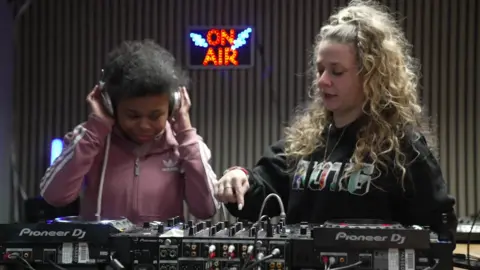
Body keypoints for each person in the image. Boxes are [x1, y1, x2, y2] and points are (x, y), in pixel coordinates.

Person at [214, 0, 457, 235]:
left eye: (336, 71)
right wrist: (239, 177)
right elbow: (259, 197)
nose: (322, 81)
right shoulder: (305, 144)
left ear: (371, 76)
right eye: (320, 70)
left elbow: (438, 229)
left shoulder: (404, 148)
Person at [40, 40, 219, 224]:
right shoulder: (90, 139)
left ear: (173, 107)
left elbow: (207, 209)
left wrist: (186, 135)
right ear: (110, 105)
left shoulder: (185, 145)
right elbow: (54, 196)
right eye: (133, 116)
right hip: (102, 250)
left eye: (155, 116)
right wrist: (94, 132)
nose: (144, 125)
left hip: (162, 251)